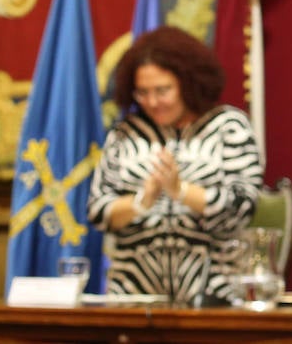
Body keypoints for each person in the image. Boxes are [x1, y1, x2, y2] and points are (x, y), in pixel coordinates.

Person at [88, 26, 263, 304]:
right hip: (134, 296)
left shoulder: (229, 128)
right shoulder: (126, 134)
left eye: (163, 90)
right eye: (142, 93)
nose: (153, 102)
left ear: (188, 82)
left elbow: (242, 207)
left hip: (212, 297)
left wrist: (180, 190)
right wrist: (141, 201)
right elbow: (98, 211)